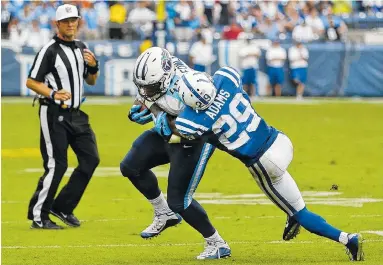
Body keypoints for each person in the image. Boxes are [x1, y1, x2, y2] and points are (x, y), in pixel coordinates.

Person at [151, 68, 364, 262]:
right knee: (291, 201)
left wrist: (160, 117)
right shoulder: (225, 78)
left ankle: (346, 238)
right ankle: (292, 215)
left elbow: (175, 132)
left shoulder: (192, 121)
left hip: (264, 162)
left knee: (300, 211)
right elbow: (222, 82)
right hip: (280, 141)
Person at [120, 47, 231, 259]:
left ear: (164, 79)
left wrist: (167, 122)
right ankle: (164, 213)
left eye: (150, 86)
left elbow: (197, 127)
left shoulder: (189, 87)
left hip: (196, 140)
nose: (145, 90)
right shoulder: (154, 75)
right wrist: (143, 109)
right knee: (131, 166)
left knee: (180, 201)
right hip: (171, 135)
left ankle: (217, 243)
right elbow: (145, 98)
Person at [26, 4, 100, 229]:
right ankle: (39, 216)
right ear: (57, 24)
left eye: (73, 20)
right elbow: (31, 81)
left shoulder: (81, 47)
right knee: (56, 165)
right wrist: (53, 93)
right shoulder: (49, 49)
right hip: (53, 112)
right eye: (66, 21)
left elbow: (91, 81)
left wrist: (94, 67)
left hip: (77, 114)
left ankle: (63, 207)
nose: (70, 24)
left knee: (91, 159)